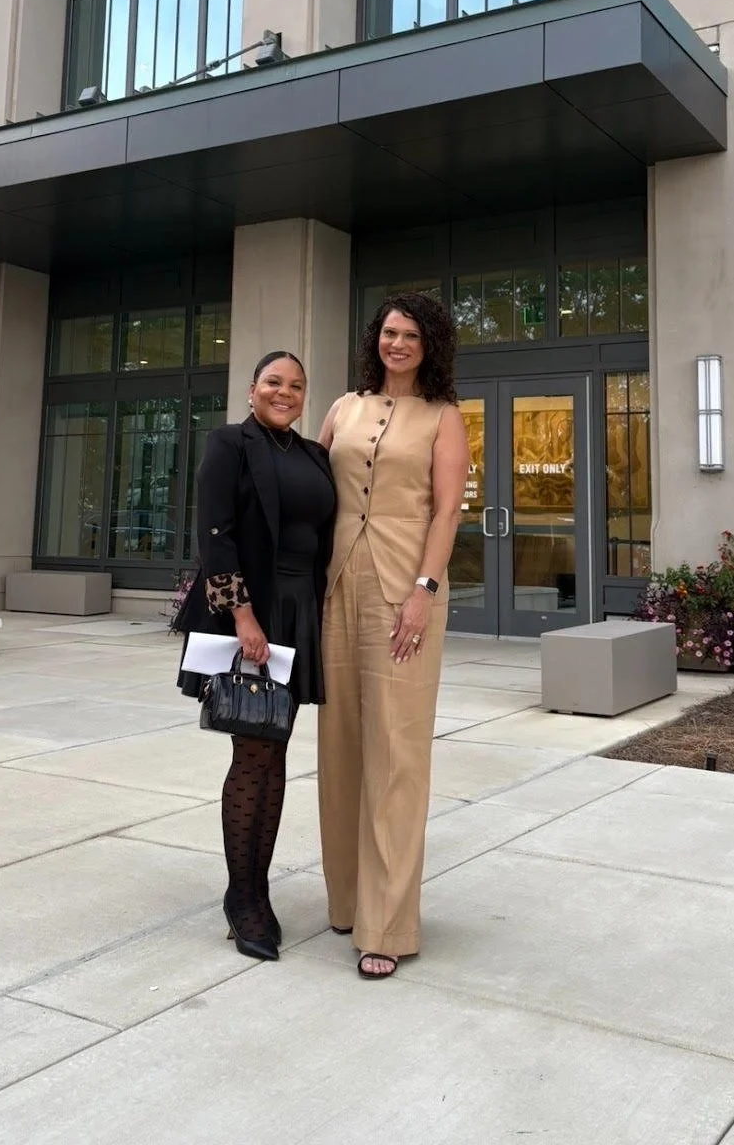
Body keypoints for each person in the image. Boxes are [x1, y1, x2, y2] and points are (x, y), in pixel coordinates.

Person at [316, 293, 469, 979]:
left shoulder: (444, 418)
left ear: (429, 344)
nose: (397, 343)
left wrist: (424, 591)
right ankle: (347, 901)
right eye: (388, 332)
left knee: (396, 752)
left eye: (409, 335)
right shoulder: (342, 409)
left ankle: (387, 925)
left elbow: (445, 513)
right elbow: (310, 491)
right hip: (336, 587)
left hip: (405, 594)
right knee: (341, 746)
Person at [175, 351, 336, 963]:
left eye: (296, 385)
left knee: (277, 752)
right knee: (252, 754)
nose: (285, 392)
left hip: (301, 608)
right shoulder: (229, 444)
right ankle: (244, 897)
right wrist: (242, 615)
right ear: (252, 390)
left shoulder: (313, 455)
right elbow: (215, 532)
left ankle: (254, 887)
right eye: (274, 382)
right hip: (254, 609)